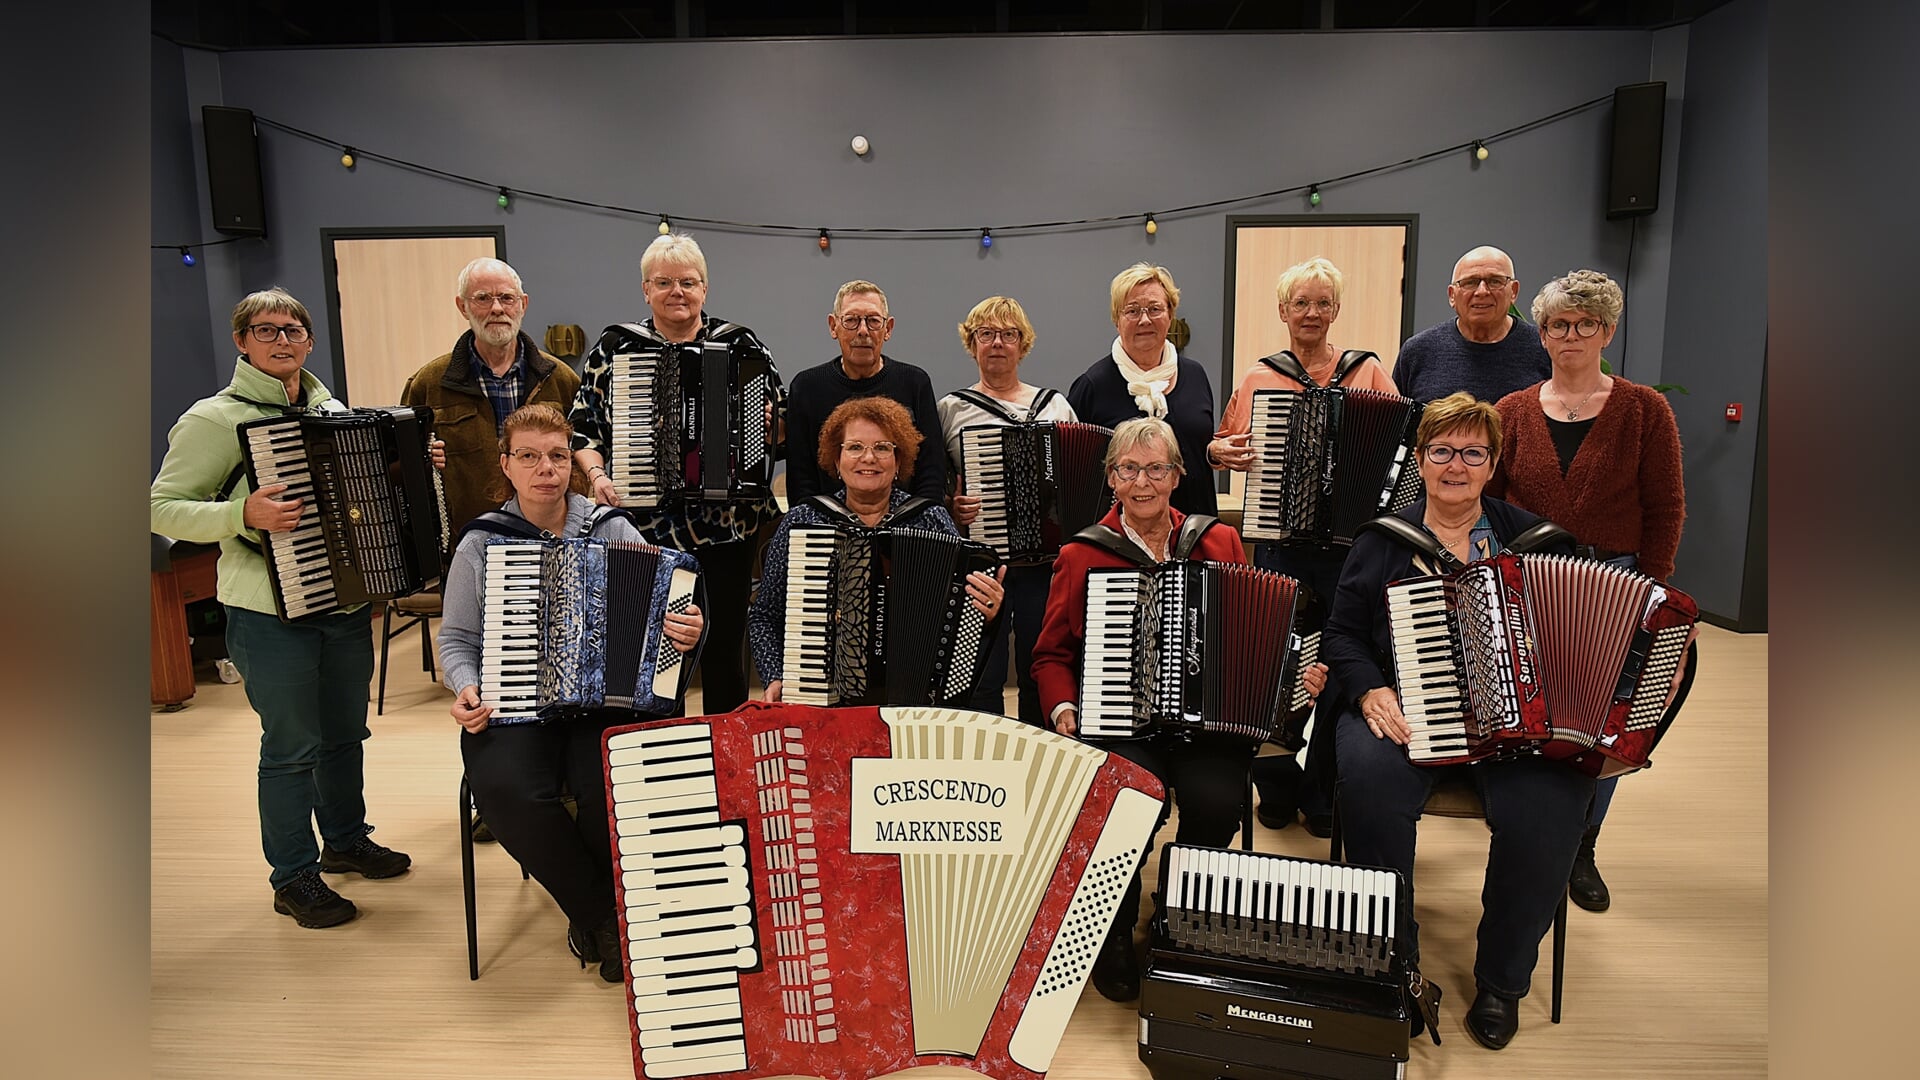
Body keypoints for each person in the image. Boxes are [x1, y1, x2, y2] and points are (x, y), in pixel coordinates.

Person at [1324, 392, 1586, 1051]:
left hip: (1513, 724)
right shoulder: (1385, 541)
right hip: (1405, 712)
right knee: (1368, 782)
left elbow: (1573, 637)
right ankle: (1394, 960)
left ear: (1492, 465)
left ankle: (1502, 979)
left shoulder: (1536, 542)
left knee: (1553, 805)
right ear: (1421, 460)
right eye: (1442, 451)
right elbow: (1343, 634)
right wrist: (1369, 690)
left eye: (1472, 453)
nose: (1456, 465)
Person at [1031, 416, 1322, 1004]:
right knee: (1132, 804)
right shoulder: (1082, 554)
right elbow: (1051, 655)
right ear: (1111, 478)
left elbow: (1253, 635)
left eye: (1156, 468)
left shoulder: (1217, 541)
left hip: (1209, 722)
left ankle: (1180, 914)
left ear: (1177, 476)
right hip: (1120, 720)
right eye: (1130, 469)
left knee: (1218, 803)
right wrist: (1063, 708)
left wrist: (1294, 677)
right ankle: (1112, 929)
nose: (1143, 482)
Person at [151, 287, 412, 929]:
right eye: (267, 330)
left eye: (294, 329)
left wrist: (409, 466)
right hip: (268, 611)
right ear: (241, 341)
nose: (283, 340)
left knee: (346, 732)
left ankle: (346, 840)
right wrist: (242, 511)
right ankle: (293, 875)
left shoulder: (335, 410)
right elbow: (159, 506)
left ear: (309, 340)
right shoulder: (211, 419)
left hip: (344, 602)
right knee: (293, 745)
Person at [437, 404, 705, 982]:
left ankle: (602, 920)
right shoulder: (482, 543)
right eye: (529, 456)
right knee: (508, 793)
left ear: (573, 465)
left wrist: (687, 629)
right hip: (512, 707)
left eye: (558, 456)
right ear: (506, 465)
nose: (545, 469)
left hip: (601, 703)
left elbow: (670, 612)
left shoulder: (610, 528)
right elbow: (456, 638)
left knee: (608, 784)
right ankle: (605, 917)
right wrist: (465, 686)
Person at [1490, 268, 1686, 915]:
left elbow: (1666, 508)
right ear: (1541, 334)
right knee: (1539, 712)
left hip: (1620, 586)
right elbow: (1488, 505)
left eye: (1585, 323)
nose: (1570, 335)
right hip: (1533, 587)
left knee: (1609, 723)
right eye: (1557, 325)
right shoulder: (1513, 412)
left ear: (1607, 329)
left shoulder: (1643, 410)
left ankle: (1583, 843)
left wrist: (1651, 595)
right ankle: (1529, 827)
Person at [569, 232, 782, 715]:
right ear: (646, 290)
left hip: (728, 526)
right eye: (663, 282)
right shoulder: (616, 346)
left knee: (725, 644)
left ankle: (724, 747)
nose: (677, 292)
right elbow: (583, 427)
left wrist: (765, 422)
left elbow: (780, 421)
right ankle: (662, 748)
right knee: (652, 643)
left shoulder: (740, 343)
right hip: (644, 524)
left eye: (688, 282)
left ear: (705, 288)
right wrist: (599, 476)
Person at [1208, 257, 1383, 836]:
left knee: (1341, 666)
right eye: (1300, 303)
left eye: (1322, 303)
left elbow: (1401, 444)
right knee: (1278, 667)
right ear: (1283, 311)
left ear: (1336, 311)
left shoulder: (1368, 372)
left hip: (1353, 549)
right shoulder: (1261, 377)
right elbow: (1223, 443)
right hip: (1281, 544)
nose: (1311, 313)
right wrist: (1217, 455)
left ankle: (1327, 792)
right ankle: (1276, 788)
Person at [749, 396, 1004, 703]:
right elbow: (764, 615)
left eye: (882, 448)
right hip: (819, 697)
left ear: (899, 462)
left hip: (913, 700)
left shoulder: (929, 519)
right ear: (836, 459)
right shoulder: (804, 521)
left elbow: (961, 616)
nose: (868, 458)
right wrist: (775, 675)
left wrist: (987, 613)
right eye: (855, 447)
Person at [936, 296, 1077, 725]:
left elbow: (1078, 480)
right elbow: (932, 485)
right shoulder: (950, 409)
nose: (997, 343)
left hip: (1045, 565)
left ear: (1022, 344)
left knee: (1041, 665)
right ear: (972, 343)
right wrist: (952, 507)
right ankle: (988, 762)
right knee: (983, 669)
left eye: (1008, 334)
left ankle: (1041, 755)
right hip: (981, 562)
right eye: (986, 334)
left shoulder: (1055, 406)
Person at [404, 257, 583, 537]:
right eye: (483, 298)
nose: (497, 308)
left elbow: (583, 456)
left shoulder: (562, 379)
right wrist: (424, 460)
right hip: (466, 542)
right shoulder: (428, 384)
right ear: (462, 306)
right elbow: (405, 471)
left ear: (523, 303)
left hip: (551, 539)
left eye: (506, 298)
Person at [1067, 263, 1218, 515]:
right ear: (1117, 320)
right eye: (1133, 310)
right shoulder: (1092, 385)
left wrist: (1214, 452)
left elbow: (1198, 450)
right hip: (1119, 540)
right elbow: (1073, 476)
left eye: (1155, 309)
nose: (1145, 319)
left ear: (1170, 315)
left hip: (1194, 529)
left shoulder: (1195, 375)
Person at [784, 280, 946, 503]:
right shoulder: (806, 387)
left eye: (873, 321)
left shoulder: (915, 383)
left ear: (887, 329)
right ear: (833, 326)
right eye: (851, 320)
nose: (862, 331)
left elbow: (932, 470)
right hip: (824, 528)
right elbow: (801, 479)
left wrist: (920, 522)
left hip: (907, 527)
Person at [1393, 246, 1553, 405]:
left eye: (1495, 281)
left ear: (1513, 291)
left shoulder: (1545, 347)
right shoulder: (1417, 352)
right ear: (1452, 296)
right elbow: (1396, 425)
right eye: (1470, 282)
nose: (1482, 291)